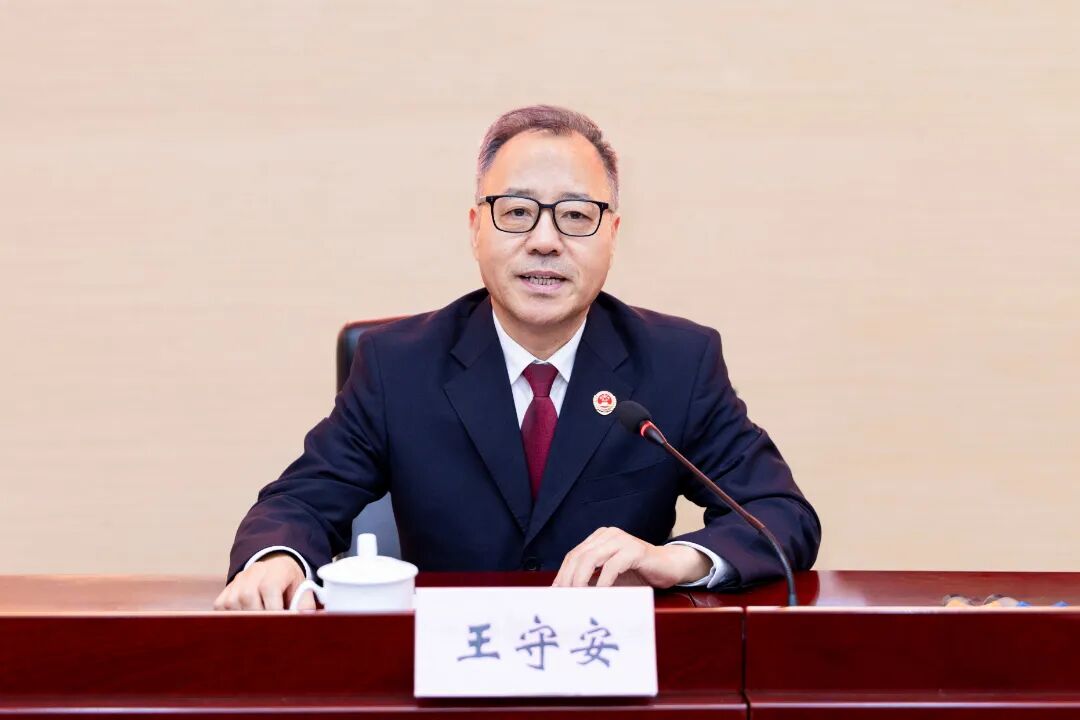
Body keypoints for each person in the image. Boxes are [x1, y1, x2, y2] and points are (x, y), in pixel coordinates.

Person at [215, 105, 821, 611]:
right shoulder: (396, 366)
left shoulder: (676, 362)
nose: (545, 241)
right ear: (476, 228)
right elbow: (298, 503)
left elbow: (780, 514)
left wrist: (675, 559)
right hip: (448, 674)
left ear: (612, 234)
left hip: (609, 674)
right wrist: (278, 560)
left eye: (576, 215)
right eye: (517, 212)